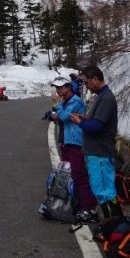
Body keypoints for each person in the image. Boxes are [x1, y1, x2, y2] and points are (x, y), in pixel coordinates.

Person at [70, 65, 121, 219]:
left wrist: (80, 122)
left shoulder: (106, 98)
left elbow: (97, 127)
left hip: (100, 152)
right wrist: (84, 118)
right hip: (95, 152)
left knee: (105, 191)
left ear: (96, 79)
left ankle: (116, 224)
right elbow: (96, 121)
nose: (86, 86)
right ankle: (113, 224)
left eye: (87, 82)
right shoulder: (100, 96)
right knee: (101, 190)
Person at [51, 76, 98, 222]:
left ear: (68, 87)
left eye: (60, 87)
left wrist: (57, 106)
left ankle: (89, 208)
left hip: (75, 143)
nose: (58, 90)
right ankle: (76, 205)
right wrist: (56, 115)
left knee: (79, 175)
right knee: (68, 175)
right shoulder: (65, 101)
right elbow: (62, 118)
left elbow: (66, 117)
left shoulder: (75, 101)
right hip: (66, 142)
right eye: (56, 87)